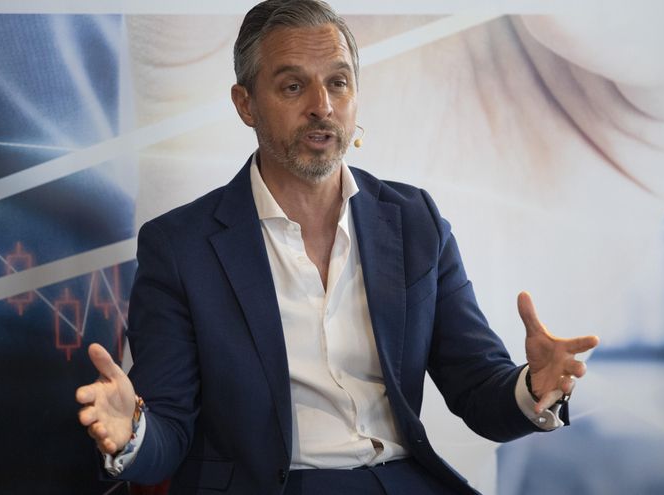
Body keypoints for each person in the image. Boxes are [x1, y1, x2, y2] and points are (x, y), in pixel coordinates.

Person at [76, 1, 599, 493]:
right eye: (292, 86)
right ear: (246, 105)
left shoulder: (415, 222)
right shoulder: (181, 246)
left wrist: (533, 387)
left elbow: (477, 388)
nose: (321, 107)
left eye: (338, 83)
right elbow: (168, 427)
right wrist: (132, 433)